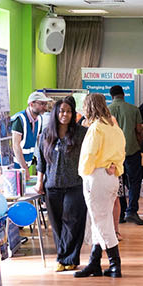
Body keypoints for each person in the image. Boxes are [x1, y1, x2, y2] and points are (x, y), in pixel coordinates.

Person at [74, 92, 126, 278]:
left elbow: (88, 156)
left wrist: (84, 173)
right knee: (99, 221)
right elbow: (122, 151)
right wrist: (115, 167)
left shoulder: (96, 128)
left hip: (96, 177)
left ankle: (115, 265)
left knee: (102, 223)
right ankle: (94, 263)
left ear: (88, 107)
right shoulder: (114, 127)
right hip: (111, 177)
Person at [37, 96, 88, 272]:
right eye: (61, 111)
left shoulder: (81, 133)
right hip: (52, 185)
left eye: (68, 111)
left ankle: (67, 258)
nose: (64, 114)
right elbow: (41, 161)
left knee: (73, 221)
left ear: (73, 113)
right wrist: (39, 182)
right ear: (55, 113)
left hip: (75, 184)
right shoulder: (46, 134)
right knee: (57, 224)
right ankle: (65, 257)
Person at [106, 85, 143, 225]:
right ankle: (132, 211)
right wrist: (138, 144)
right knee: (134, 181)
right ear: (123, 94)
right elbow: (139, 130)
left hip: (114, 154)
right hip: (132, 150)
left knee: (118, 183)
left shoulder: (107, 110)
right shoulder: (134, 109)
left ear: (111, 96)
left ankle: (120, 212)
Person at [10, 91, 51, 174]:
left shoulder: (39, 120)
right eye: (42, 104)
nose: (45, 107)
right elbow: (15, 146)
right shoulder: (19, 119)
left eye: (45, 104)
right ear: (32, 104)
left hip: (22, 166)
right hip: (9, 167)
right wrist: (25, 168)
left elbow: (41, 144)